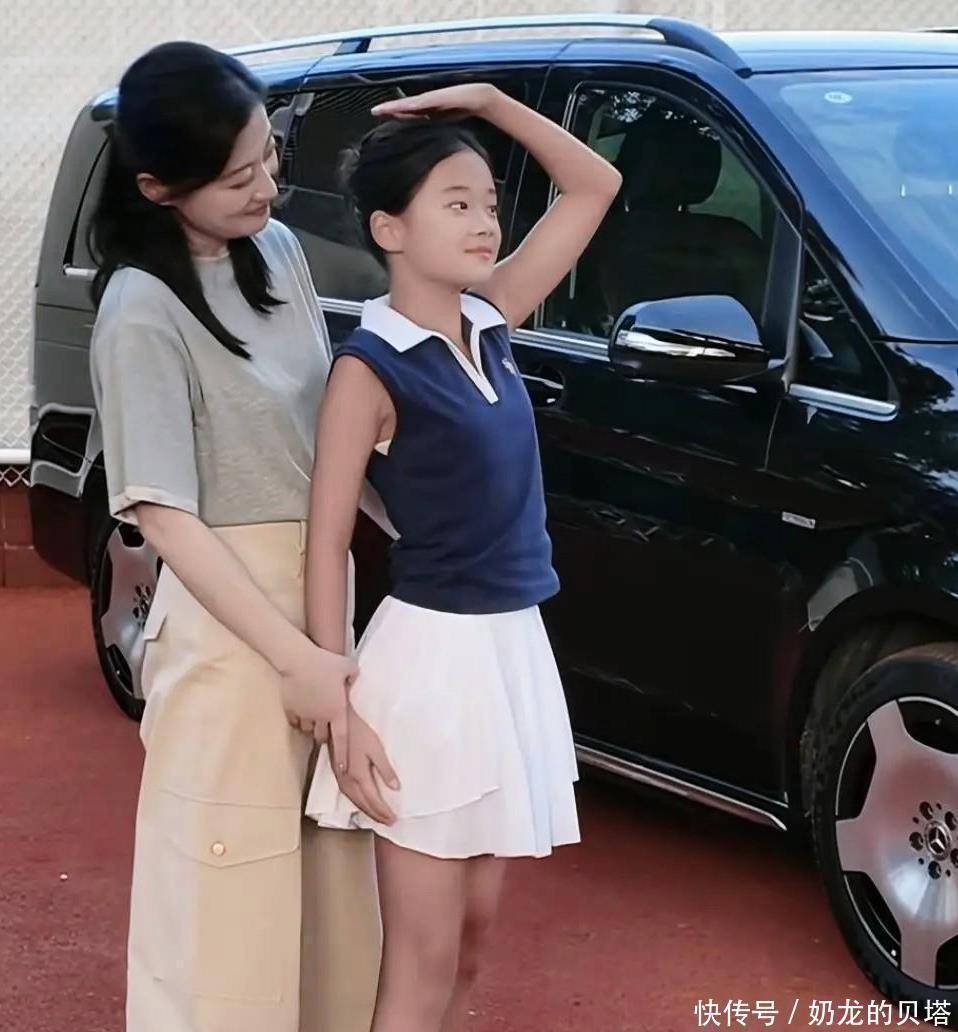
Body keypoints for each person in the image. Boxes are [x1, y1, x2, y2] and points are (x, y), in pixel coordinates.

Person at [304, 83, 622, 1032]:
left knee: (473, 943)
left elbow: (594, 184)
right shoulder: (368, 367)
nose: (485, 223)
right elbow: (326, 541)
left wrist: (490, 103)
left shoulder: (490, 318)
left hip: (511, 651)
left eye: (488, 204)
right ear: (389, 230)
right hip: (429, 667)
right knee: (422, 961)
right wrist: (337, 706)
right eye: (456, 204)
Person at [88, 41, 390, 1032]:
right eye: (235, 177)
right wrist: (295, 657)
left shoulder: (279, 251)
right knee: (227, 914)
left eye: (269, 155)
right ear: (157, 188)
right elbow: (165, 515)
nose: (265, 185)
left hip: (318, 607)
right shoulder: (140, 309)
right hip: (231, 633)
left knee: (332, 894)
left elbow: (322, 424)